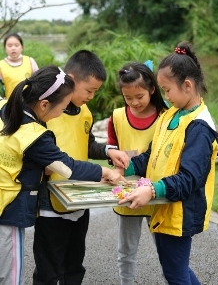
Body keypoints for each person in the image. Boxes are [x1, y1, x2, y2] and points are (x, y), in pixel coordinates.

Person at [0, 65, 125, 285]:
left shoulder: (6, 107)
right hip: (9, 210)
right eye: (63, 106)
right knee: (10, 277)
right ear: (45, 104)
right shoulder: (35, 134)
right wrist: (104, 171)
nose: (62, 112)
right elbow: (67, 168)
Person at [119, 42, 218, 285]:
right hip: (164, 207)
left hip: (179, 213)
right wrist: (127, 166)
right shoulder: (170, 115)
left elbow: (190, 178)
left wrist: (153, 189)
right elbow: (151, 157)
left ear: (187, 86)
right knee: (176, 270)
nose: (165, 97)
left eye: (167, 90)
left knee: (175, 274)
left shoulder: (200, 128)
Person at [33, 50, 130, 285]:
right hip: (50, 203)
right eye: (89, 90)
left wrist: (108, 151)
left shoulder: (85, 112)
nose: (92, 97)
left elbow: (86, 144)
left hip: (80, 200)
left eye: (95, 91)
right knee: (48, 269)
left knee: (74, 266)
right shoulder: (46, 112)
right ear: (71, 80)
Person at [107, 62, 168, 285]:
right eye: (128, 97)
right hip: (126, 193)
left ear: (152, 89)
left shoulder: (166, 116)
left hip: (157, 193)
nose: (134, 102)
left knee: (166, 252)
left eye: (139, 96)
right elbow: (111, 148)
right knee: (126, 251)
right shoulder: (117, 117)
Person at [0, 32, 39, 98]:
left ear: (22, 47)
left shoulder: (30, 61)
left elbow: (39, 82)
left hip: (29, 103)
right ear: (5, 48)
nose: (13, 48)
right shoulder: (1, 65)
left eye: (16, 45)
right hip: (10, 104)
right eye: (9, 46)